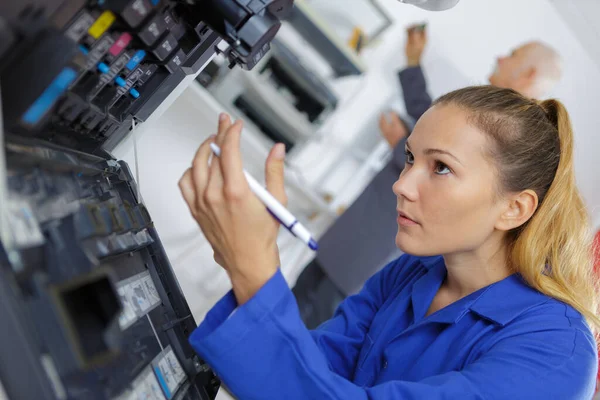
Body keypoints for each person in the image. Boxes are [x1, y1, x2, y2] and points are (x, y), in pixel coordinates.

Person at [179, 84, 599, 399]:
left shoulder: (556, 352)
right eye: (412, 158)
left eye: (442, 168)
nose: (402, 184)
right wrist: (248, 262)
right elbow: (313, 366)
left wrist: (254, 272)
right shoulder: (414, 272)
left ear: (515, 209)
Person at [292, 25, 564, 328]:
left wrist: (400, 144)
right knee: (299, 300)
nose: (501, 58)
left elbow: (441, 167)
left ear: (529, 74)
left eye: (513, 55)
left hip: (375, 249)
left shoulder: (511, 143)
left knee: (314, 323)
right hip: (360, 234)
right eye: (412, 157)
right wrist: (412, 64)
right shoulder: (481, 119)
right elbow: (430, 122)